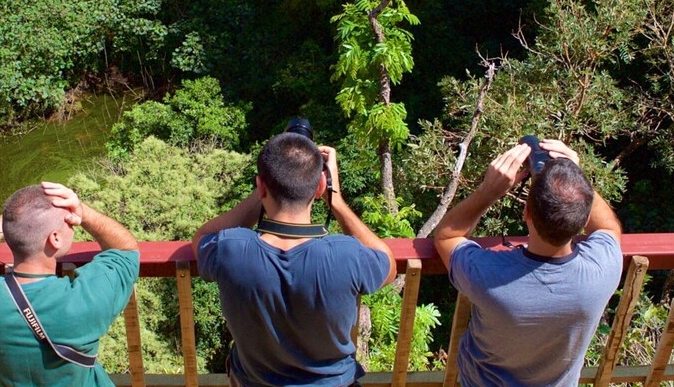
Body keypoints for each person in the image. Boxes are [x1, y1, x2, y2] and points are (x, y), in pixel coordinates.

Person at [193, 130, 397, 387]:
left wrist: (265, 188)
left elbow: (202, 236)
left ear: (260, 187)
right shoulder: (346, 255)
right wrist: (336, 200)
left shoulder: (230, 249)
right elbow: (388, 264)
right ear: (320, 186)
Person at [430, 139, 625, 387]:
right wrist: (576, 177)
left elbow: (447, 236)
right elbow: (608, 227)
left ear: (527, 214)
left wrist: (488, 191)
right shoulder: (601, 272)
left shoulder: (488, 275)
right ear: (584, 218)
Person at [0, 182, 139, 386]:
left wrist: (13, 221)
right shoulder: (84, 300)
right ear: (55, 238)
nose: (73, 227)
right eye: (69, 223)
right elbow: (125, 249)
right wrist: (83, 213)